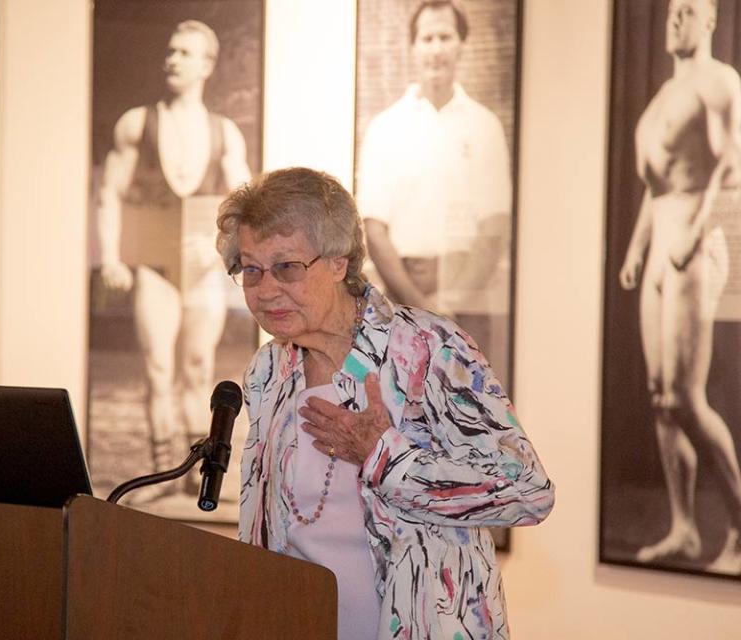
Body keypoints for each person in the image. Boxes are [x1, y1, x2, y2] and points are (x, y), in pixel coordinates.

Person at [217, 167, 553, 640]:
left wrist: (387, 458)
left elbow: (529, 491)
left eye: (286, 267)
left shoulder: (429, 350)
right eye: (250, 269)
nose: (264, 288)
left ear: (338, 262)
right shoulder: (269, 371)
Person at [95, 20, 252, 486]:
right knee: (159, 366)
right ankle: (161, 468)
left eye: (185, 53)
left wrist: (224, 252)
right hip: (154, 265)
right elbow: (109, 193)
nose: (173, 60)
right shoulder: (137, 123)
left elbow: (246, 202)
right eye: (170, 51)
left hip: (201, 268)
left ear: (207, 64)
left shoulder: (224, 133)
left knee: (198, 365)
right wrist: (111, 257)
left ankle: (195, 471)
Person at [618, 0, 741, 573]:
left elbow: (731, 167)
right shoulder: (664, 94)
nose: (675, 19)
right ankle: (685, 528)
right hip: (665, 238)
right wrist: (639, 247)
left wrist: (694, 235)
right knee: (660, 398)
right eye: (671, 11)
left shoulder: (719, 82)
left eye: (688, 10)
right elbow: (658, 185)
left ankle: (739, 525)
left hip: (696, 240)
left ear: (711, 20)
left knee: (687, 398)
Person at [358, 0, 512, 380]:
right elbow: (374, 228)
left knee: (471, 421)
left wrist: (452, 302)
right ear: (413, 46)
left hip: (469, 299)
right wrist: (417, 303)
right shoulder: (386, 127)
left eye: (445, 36)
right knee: (401, 414)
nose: (436, 47)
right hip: (401, 296)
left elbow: (495, 225)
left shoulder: (484, 126)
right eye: (427, 38)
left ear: (461, 44)